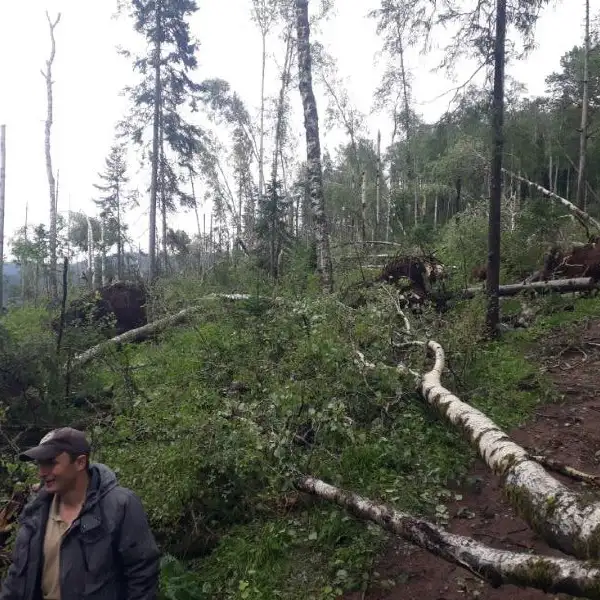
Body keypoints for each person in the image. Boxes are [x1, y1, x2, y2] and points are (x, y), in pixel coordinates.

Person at [0, 427, 160, 600]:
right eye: (40, 464)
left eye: (50, 463)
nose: (42, 472)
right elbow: (17, 580)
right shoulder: (35, 513)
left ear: (80, 462)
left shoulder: (119, 506)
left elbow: (142, 576)